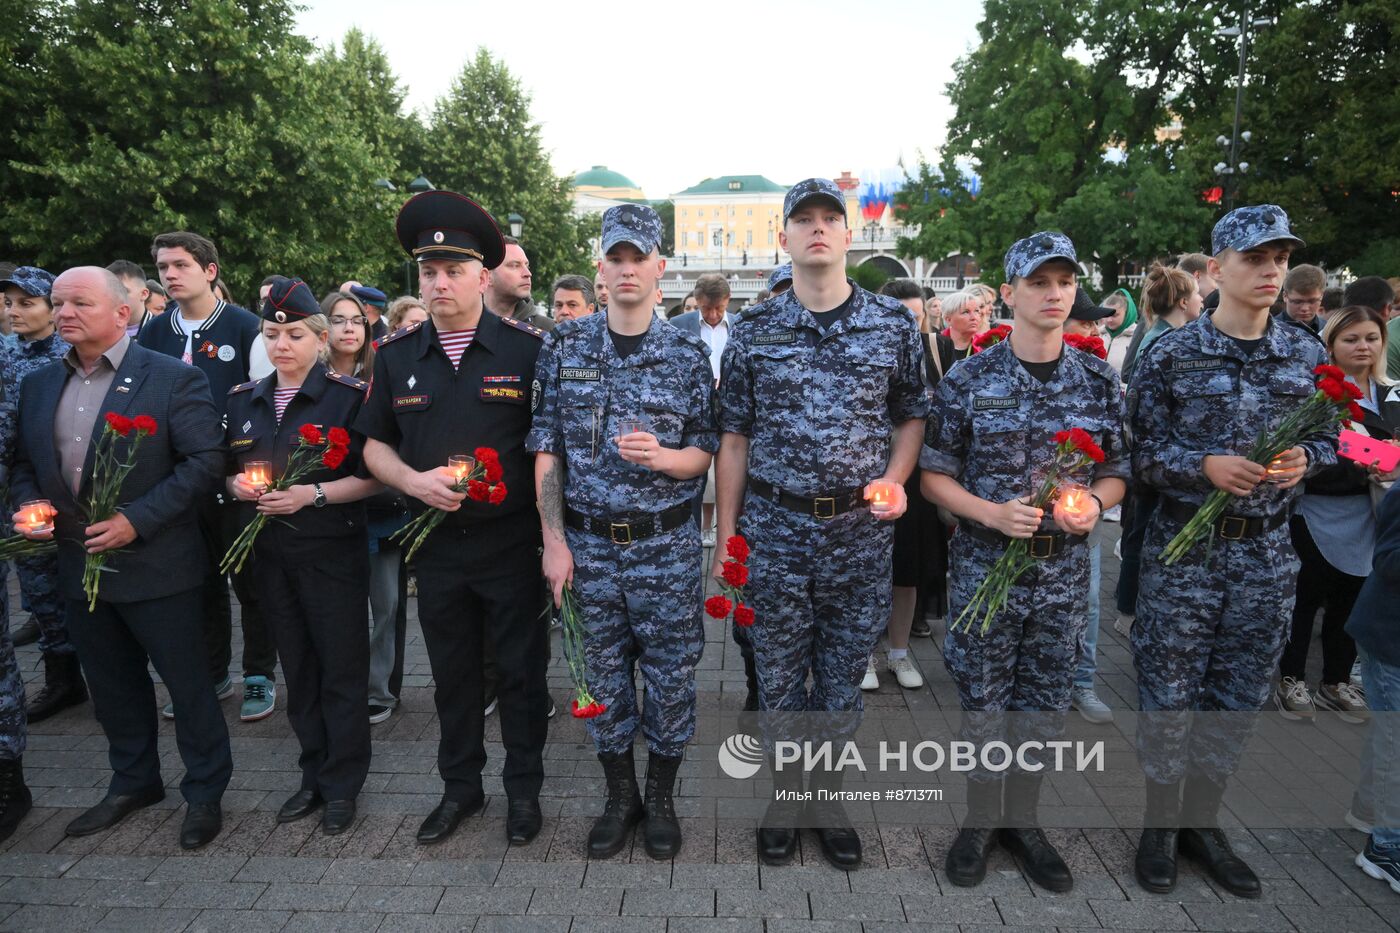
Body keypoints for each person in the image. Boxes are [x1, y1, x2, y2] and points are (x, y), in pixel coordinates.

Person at [715, 178, 928, 870]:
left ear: (847, 234)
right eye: (801, 219)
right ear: (784, 237)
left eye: (828, 218)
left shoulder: (892, 324)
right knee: (778, 677)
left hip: (858, 535)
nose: (815, 228)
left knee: (839, 680)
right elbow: (735, 439)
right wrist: (726, 537)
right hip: (774, 529)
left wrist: (894, 482)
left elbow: (912, 413)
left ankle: (826, 795)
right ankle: (786, 795)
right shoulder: (753, 328)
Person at [1128, 205, 1335, 898]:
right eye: (1256, 258)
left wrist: (1309, 455)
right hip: (1186, 555)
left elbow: (1336, 437)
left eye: (1280, 257)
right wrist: (1204, 466)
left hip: (1266, 558)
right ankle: (1160, 825)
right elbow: (1140, 452)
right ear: (1217, 270)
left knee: (1237, 696)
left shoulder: (1306, 353)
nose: (1272, 269)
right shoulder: (1171, 353)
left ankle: (1203, 822)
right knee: (1169, 694)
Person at [922, 233, 1127, 893]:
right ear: (1008, 293)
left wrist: (1094, 501)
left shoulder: (1096, 376)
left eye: (1065, 281)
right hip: (986, 567)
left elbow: (1121, 469)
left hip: (1062, 574)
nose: (1054, 293)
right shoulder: (971, 376)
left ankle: (1025, 820)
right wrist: (987, 512)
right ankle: (981, 822)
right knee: (984, 703)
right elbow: (934, 476)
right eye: (1039, 282)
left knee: (1041, 705)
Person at [10, 266, 231, 850]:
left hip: (159, 566)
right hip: (77, 564)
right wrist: (30, 505)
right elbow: (23, 464)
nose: (64, 314)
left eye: (79, 303)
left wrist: (139, 519)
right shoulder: (37, 385)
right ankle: (134, 782)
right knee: (111, 685)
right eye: (58, 304)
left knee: (187, 688)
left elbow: (205, 461)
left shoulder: (171, 379)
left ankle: (205, 791)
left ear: (121, 314)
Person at [356, 189, 550, 846]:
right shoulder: (398, 355)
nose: (438, 282)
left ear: (482, 275)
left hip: (511, 545)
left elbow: (548, 453)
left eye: (452, 270)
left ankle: (524, 791)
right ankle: (460, 788)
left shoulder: (528, 351)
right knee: (453, 676)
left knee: (522, 677)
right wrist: (410, 479)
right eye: (427, 271)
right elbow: (372, 441)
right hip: (436, 549)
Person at [529, 204, 715, 860]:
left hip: (664, 547)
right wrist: (554, 542)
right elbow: (546, 448)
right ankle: (619, 794)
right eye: (616, 258)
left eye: (639, 258)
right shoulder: (565, 344)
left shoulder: (687, 351)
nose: (627, 268)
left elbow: (705, 451)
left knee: (670, 676)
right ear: (601, 268)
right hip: (589, 546)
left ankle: (660, 796)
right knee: (600, 674)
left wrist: (665, 458)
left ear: (660, 266)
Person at [224, 277, 380, 834]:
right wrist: (237, 487)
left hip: (329, 553)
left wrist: (312, 494)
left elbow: (374, 479)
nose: (280, 344)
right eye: (271, 333)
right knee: (298, 669)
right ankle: (311, 774)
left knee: (340, 670)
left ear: (319, 338)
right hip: (271, 555)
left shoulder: (348, 397)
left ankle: (343, 785)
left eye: (293, 334)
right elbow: (228, 468)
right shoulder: (245, 400)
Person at [138, 231, 277, 724]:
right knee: (198, 583)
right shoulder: (154, 332)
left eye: (180, 265)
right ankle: (212, 672)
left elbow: (265, 403)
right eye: (162, 267)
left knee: (251, 580)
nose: (170, 275)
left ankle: (259, 672)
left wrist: (251, 471)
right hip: (177, 480)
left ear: (209, 270)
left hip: (237, 478)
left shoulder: (245, 328)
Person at [1274, 305, 1397, 723]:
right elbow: (1312, 449)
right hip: (1318, 510)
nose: (1363, 346)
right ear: (1331, 344)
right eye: (1351, 339)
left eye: (1371, 338)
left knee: (1352, 597)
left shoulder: (1393, 393)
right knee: (1306, 598)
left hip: (1374, 515)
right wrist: (1371, 459)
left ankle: (1336, 680)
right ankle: (1292, 678)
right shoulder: (1316, 392)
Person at [0, 267, 84, 722]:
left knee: (69, 580)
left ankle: (96, 671)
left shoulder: (68, 356)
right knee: (35, 584)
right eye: (10, 303)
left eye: (26, 303)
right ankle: (62, 678)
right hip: (14, 486)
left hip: (56, 484)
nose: (14, 312)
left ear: (53, 309)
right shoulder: (4, 352)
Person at [864, 278, 936, 681]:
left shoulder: (935, 350)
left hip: (910, 473)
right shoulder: (871, 341)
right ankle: (867, 654)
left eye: (918, 316)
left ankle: (899, 651)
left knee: (905, 568)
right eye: (905, 315)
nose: (911, 323)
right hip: (866, 474)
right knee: (868, 574)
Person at [1344, 481, 1400, 895]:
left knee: (1391, 737)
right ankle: (1386, 847)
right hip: (1389, 637)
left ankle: (1369, 809)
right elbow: (1389, 560)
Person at [486, 236, 554, 331]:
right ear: (487, 277)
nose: (528, 274)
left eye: (527, 266)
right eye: (515, 266)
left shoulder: (549, 331)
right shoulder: (464, 325)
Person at [321, 291, 375, 378]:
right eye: (338, 321)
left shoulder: (382, 369)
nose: (349, 328)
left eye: (357, 321)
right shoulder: (307, 373)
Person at [106, 260, 153, 337]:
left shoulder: (163, 330)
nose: (114, 297)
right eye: (108, 291)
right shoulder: (97, 329)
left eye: (123, 291)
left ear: (144, 294)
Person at [1280, 264, 1326, 335]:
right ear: (1285, 296)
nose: (1305, 308)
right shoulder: (1267, 331)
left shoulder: (1330, 330)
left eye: (1312, 301)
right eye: (1297, 302)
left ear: (1321, 296)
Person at [1101, 289, 1138, 377]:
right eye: (1106, 315)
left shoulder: (1137, 338)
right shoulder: (1098, 334)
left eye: (1115, 315)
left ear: (1127, 313)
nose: (1109, 319)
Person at [941, 290, 981, 363]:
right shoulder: (935, 346)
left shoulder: (985, 345)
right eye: (965, 312)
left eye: (976, 311)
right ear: (948, 319)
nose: (974, 317)